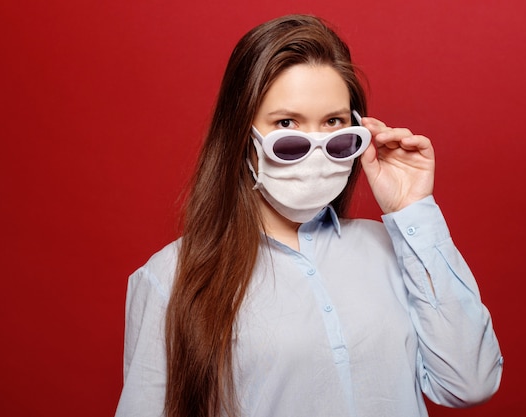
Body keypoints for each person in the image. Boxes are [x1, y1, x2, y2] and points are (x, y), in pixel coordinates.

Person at [114, 14, 503, 417]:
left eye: (333, 122)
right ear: (242, 137)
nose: (316, 147)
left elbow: (470, 383)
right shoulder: (169, 279)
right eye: (287, 124)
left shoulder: (394, 249)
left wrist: (412, 209)